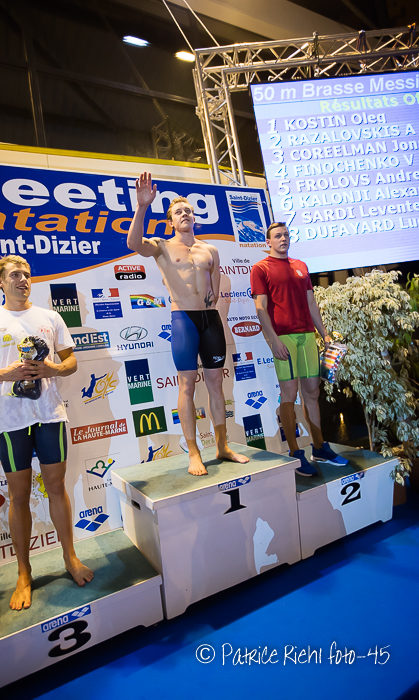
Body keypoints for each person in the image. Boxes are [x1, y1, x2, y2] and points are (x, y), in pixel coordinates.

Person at [0, 255, 93, 610]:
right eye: (15, 275)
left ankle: (70, 557)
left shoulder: (50, 317)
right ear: (0, 282)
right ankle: (23, 574)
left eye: (27, 275)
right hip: (12, 422)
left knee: (57, 488)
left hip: (49, 415)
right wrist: (4, 374)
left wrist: (52, 368)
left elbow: (70, 362)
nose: (23, 280)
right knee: (18, 496)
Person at [127, 172, 249, 476]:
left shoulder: (210, 250)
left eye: (188, 211)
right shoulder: (162, 246)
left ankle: (222, 446)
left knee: (216, 384)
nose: (185, 214)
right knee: (187, 385)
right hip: (183, 319)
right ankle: (194, 452)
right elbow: (133, 243)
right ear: (170, 221)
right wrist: (142, 206)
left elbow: (215, 289)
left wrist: (211, 308)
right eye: (178, 212)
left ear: (195, 218)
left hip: (210, 320)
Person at [250, 222, 348, 476]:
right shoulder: (260, 268)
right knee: (289, 394)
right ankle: (295, 453)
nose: (283, 238)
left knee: (312, 392)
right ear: (268, 242)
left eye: (286, 235)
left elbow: (311, 303)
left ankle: (319, 447)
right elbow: (260, 307)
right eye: (277, 236)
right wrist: (274, 340)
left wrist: (324, 334)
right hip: (284, 338)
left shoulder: (301, 265)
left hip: (306, 336)